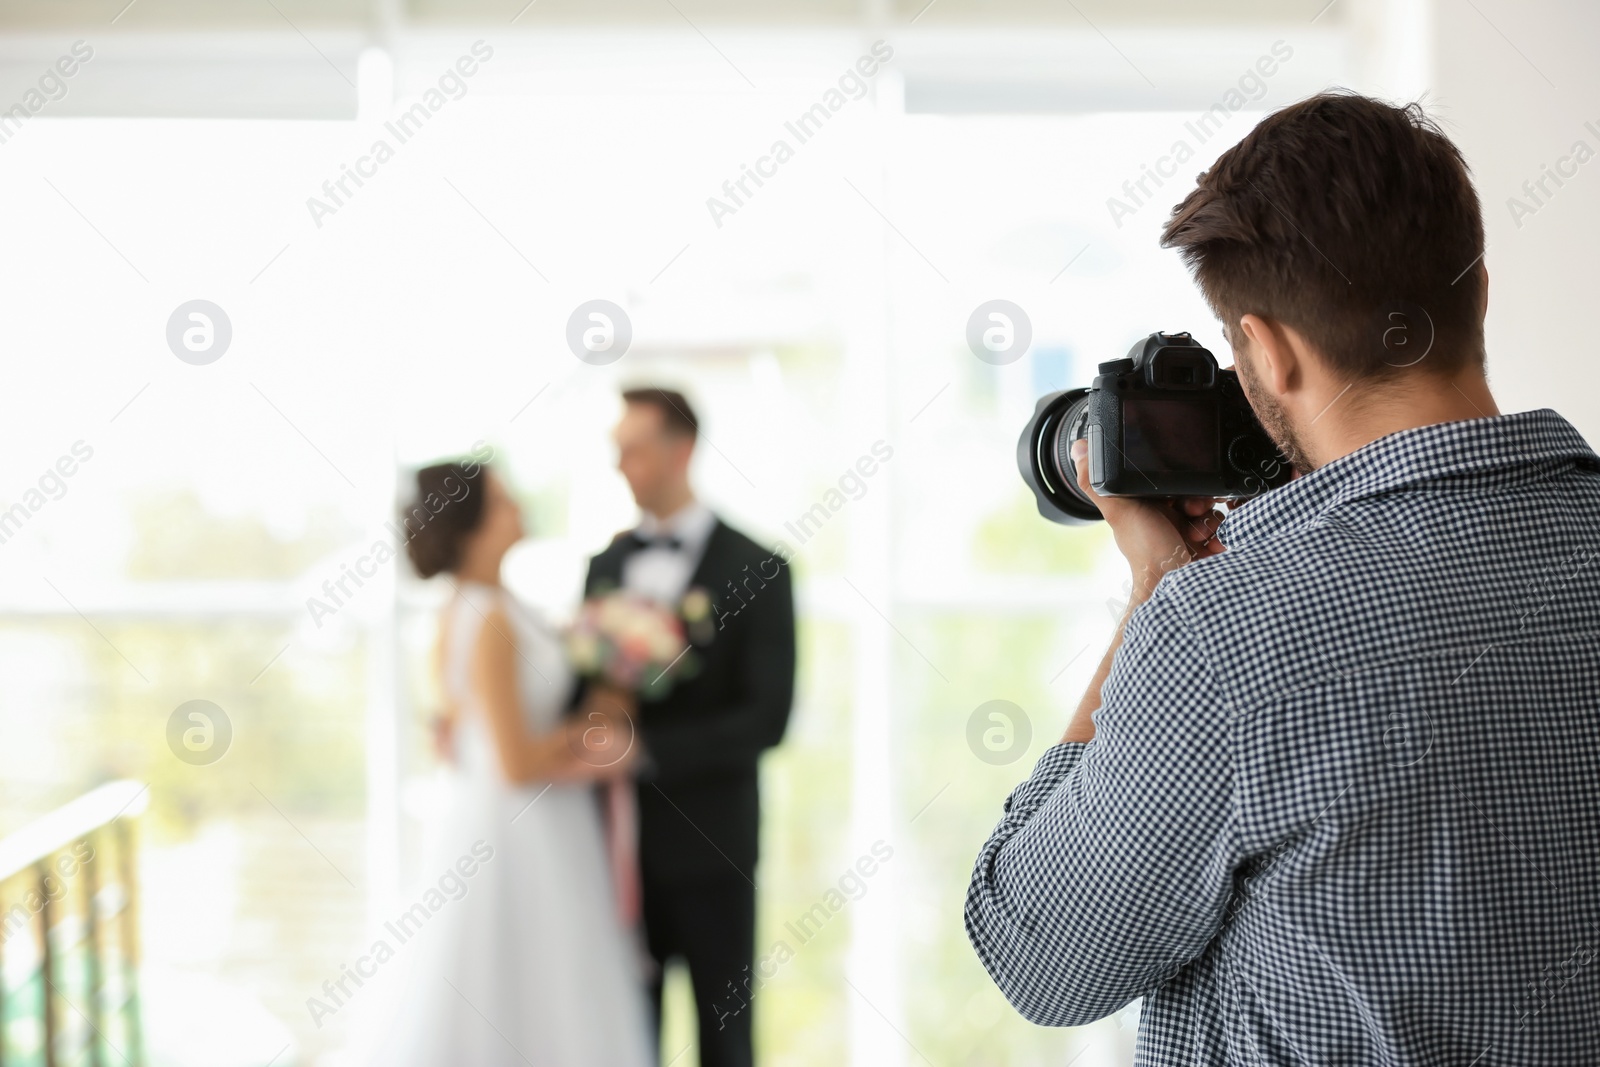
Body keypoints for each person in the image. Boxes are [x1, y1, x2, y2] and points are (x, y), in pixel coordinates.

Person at [966, 91, 1600, 1064]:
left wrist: (1155, 593)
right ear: (1478, 292)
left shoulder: (1220, 634)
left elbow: (1042, 955)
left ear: (1266, 347)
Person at [370, 460, 653, 1067]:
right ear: (470, 526)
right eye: (501, 502)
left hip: (519, 820)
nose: (518, 507)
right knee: (538, 986)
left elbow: (456, 727)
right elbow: (517, 761)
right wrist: (602, 729)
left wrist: (612, 680)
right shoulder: (488, 617)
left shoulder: (481, 604)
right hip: (524, 829)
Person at [583, 387, 796, 1067]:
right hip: (614, 851)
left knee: (724, 1043)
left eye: (635, 449)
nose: (622, 465)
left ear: (682, 449)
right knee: (622, 1034)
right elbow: (581, 695)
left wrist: (647, 751)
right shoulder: (604, 567)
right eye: (617, 452)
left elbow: (767, 718)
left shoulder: (758, 569)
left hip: (715, 850)